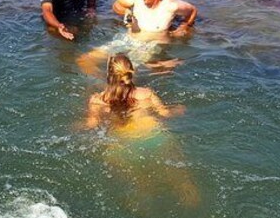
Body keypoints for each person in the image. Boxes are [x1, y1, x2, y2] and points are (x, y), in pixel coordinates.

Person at [85, 53, 199, 208]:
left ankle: (145, 212)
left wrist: (72, 126)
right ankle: (194, 208)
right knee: (181, 180)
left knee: (141, 186)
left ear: (109, 74)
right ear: (131, 71)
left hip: (122, 144)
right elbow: (165, 113)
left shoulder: (98, 100)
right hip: (153, 136)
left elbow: (91, 124)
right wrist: (180, 108)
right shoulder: (146, 93)